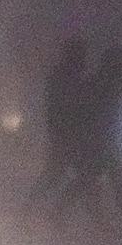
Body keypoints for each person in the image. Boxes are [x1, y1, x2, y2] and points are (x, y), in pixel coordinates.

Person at [54, 45, 122, 234]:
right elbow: (105, 114)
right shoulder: (108, 83)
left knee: (92, 180)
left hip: (102, 141)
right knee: (102, 180)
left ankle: (57, 214)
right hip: (105, 142)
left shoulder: (101, 81)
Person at [25, 38, 89, 213]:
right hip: (65, 134)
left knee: (66, 175)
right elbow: (67, 108)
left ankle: (34, 209)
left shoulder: (63, 77)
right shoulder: (66, 78)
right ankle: (47, 211)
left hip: (65, 134)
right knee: (79, 176)